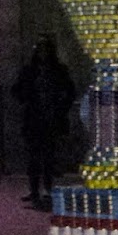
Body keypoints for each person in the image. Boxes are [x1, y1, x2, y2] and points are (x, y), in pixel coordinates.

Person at [11, 34, 76, 208]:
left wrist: (61, 108)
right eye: (40, 49)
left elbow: (70, 91)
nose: (43, 53)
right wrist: (25, 97)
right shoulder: (29, 70)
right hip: (33, 117)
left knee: (48, 156)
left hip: (50, 117)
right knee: (33, 157)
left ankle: (47, 187)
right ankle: (34, 189)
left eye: (45, 49)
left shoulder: (58, 70)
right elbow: (17, 90)